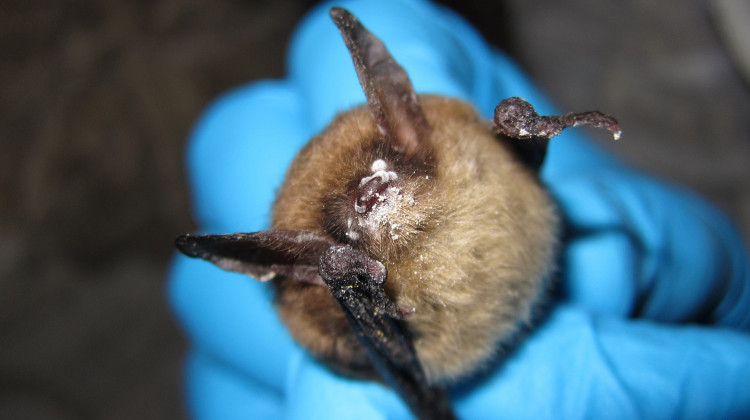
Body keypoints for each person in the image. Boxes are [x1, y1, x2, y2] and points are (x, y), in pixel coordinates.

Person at [168, 0, 750, 418]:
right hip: (423, 333)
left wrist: (528, 133)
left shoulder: (453, 139)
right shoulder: (346, 292)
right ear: (317, 263)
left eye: (375, 171)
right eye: (344, 217)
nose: (371, 198)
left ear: (404, 121)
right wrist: (344, 282)